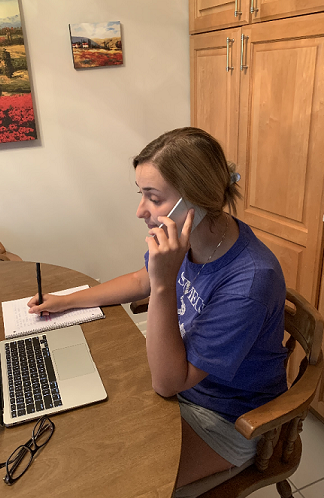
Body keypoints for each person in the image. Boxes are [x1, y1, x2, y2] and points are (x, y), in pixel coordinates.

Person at [28, 127, 288, 492]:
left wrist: (164, 282)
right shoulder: (189, 236)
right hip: (182, 384)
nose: (140, 211)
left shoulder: (249, 280)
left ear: (193, 201)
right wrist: (66, 300)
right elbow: (140, 280)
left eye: (153, 197)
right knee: (80, 435)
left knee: (123, 484)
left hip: (229, 418)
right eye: (141, 195)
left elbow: (168, 383)